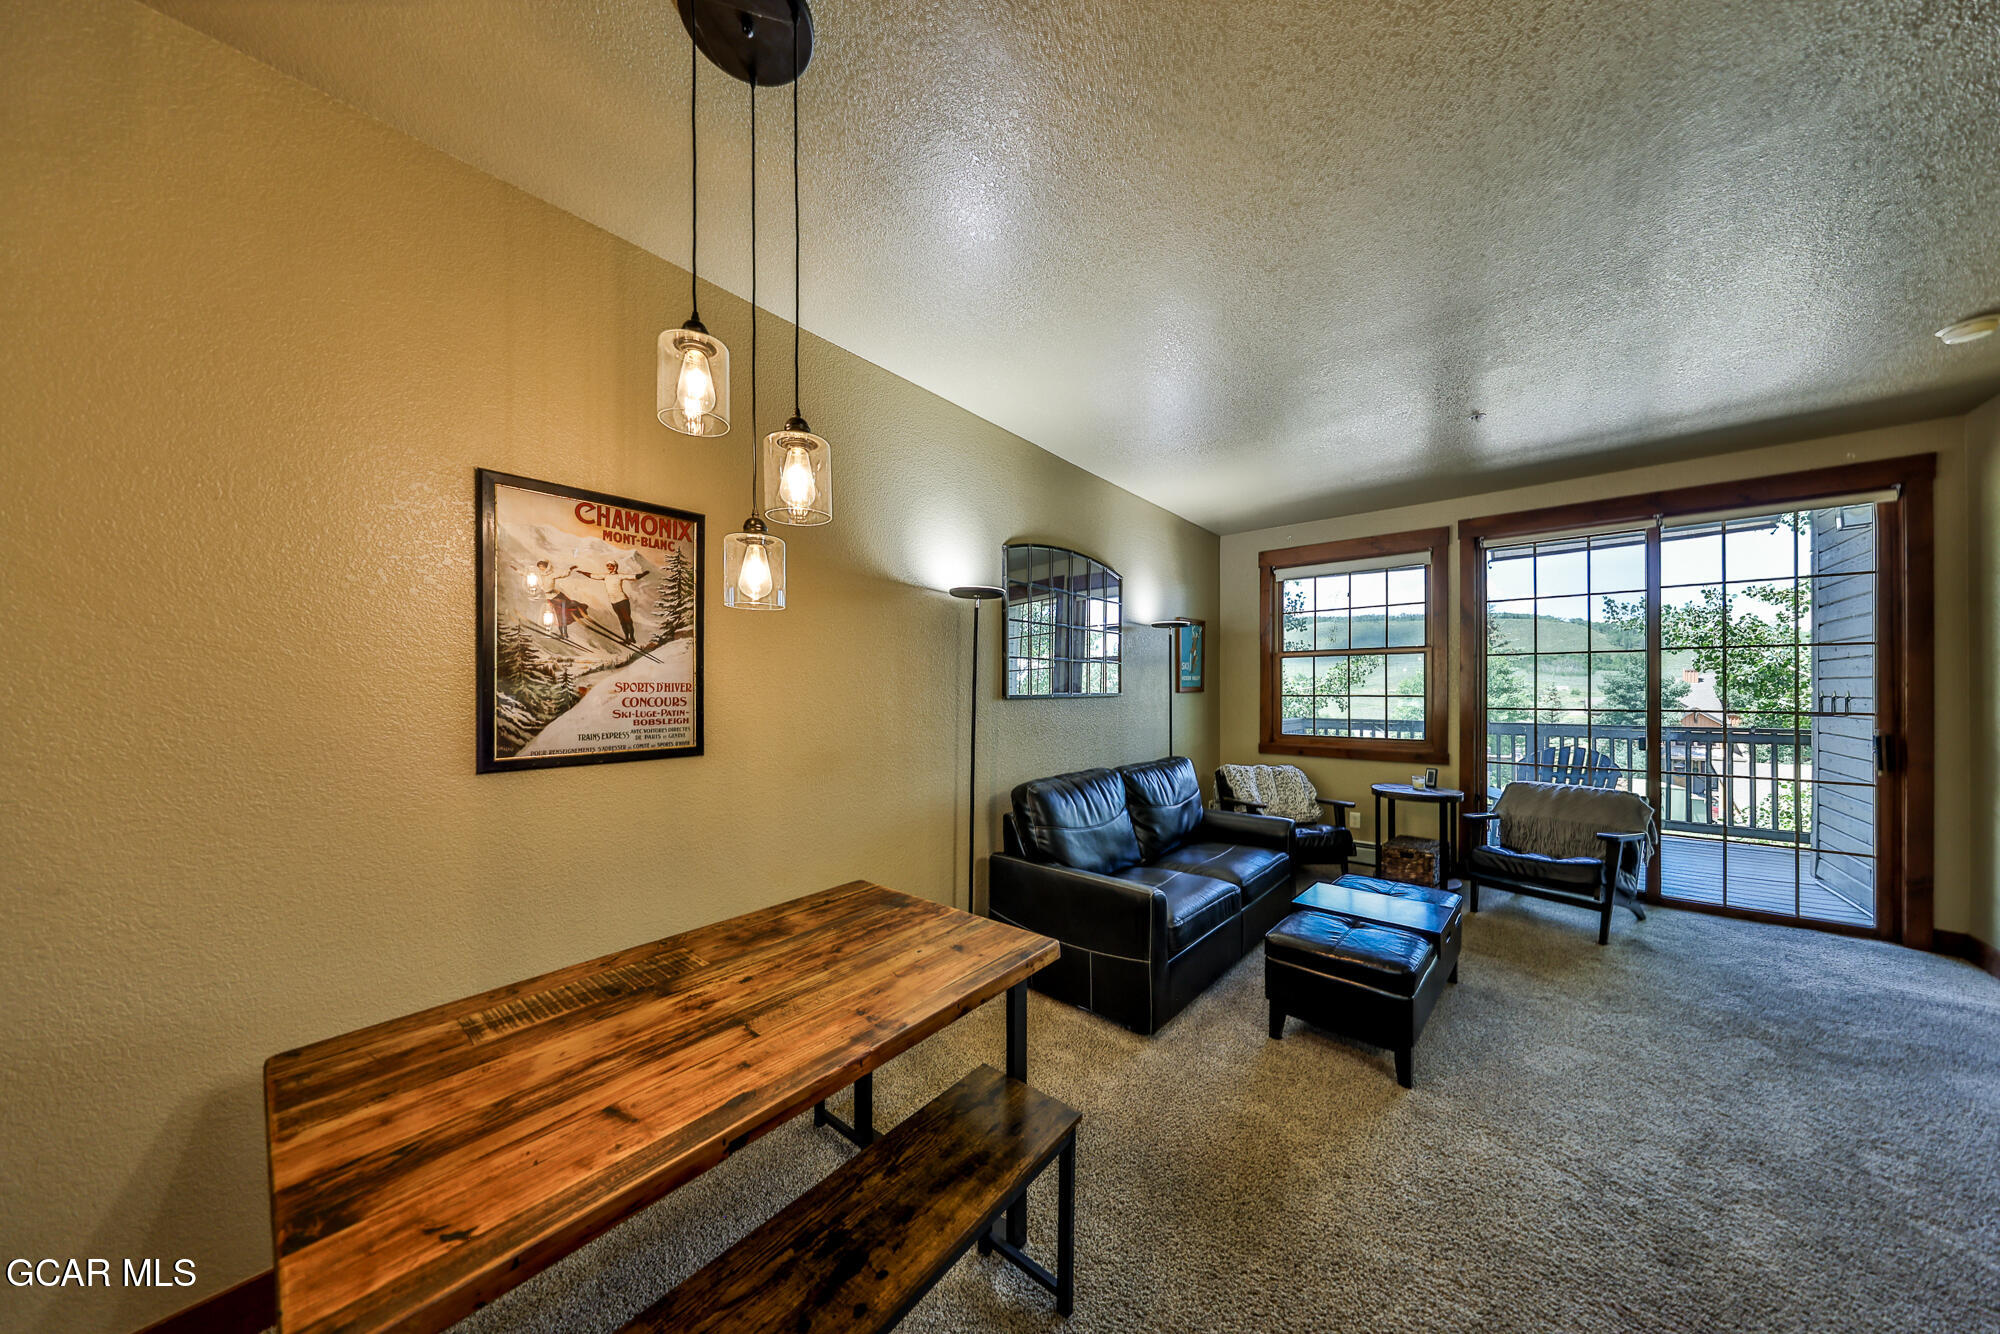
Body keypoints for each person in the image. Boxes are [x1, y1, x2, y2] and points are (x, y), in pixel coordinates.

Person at [573, 560, 647, 643]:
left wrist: (644, 574)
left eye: (611, 566)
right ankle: (627, 638)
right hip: (614, 602)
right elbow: (592, 576)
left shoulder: (619, 576)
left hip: (622, 600)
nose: (609, 567)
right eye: (608, 566)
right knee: (621, 620)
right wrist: (583, 572)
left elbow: (633, 577)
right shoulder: (605, 576)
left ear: (615, 567)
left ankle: (632, 637)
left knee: (627, 619)